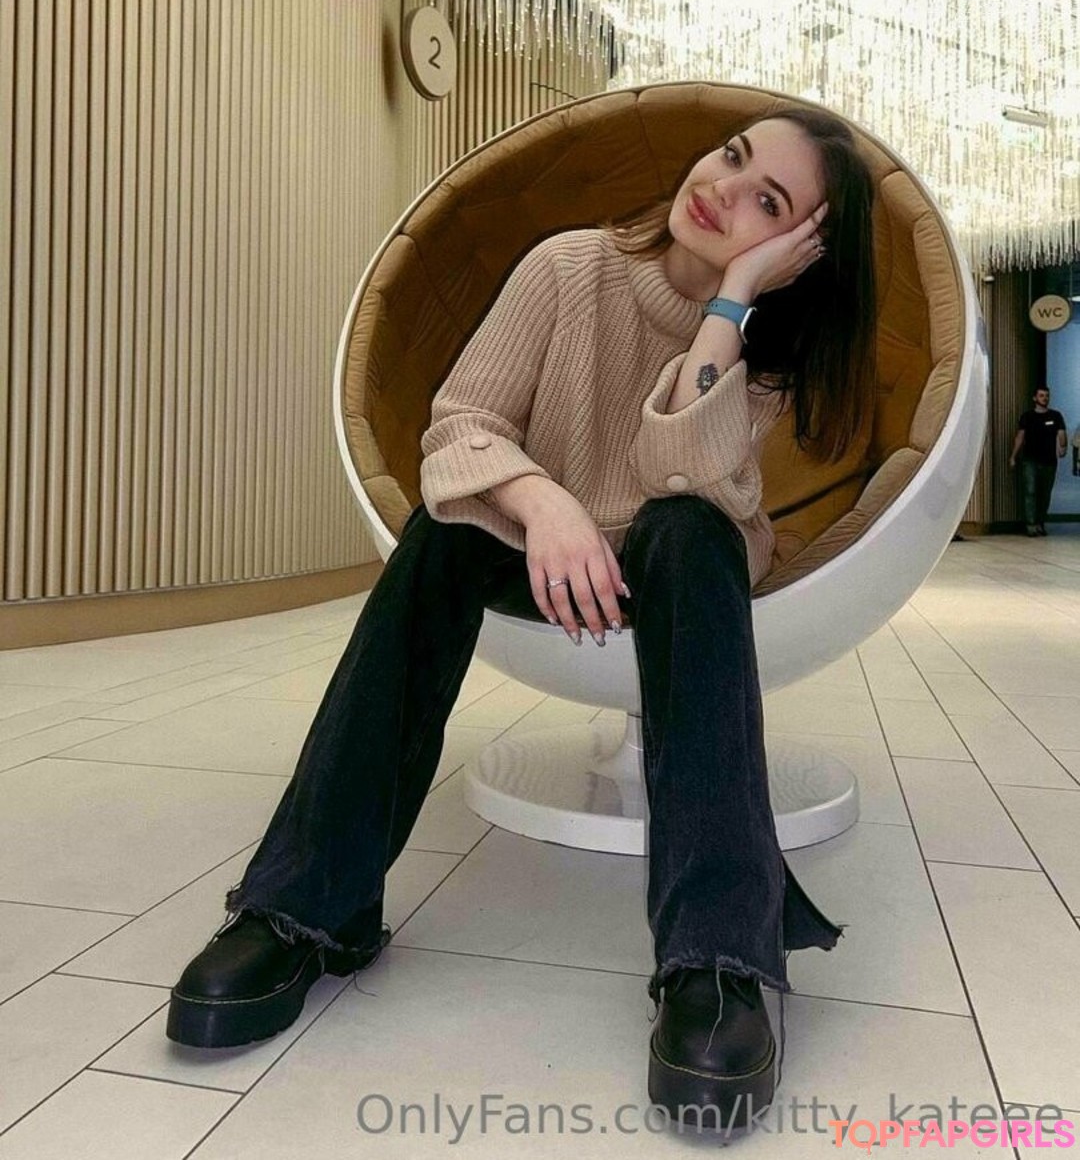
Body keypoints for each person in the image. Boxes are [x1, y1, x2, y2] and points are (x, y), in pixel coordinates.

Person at [166, 107, 877, 1131]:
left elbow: (684, 475)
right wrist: (543, 502)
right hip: (549, 550)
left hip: (681, 561)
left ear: (798, 250)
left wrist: (731, 304)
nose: (722, 188)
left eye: (767, 200)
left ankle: (718, 957)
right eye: (732, 156)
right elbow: (461, 425)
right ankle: (306, 905)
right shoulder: (567, 268)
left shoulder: (755, 355)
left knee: (686, 530)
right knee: (442, 535)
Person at [1010, 386, 1067, 535]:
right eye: (1041, 396)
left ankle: (1040, 521)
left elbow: (1061, 433)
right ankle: (1031, 524)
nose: (1045, 398)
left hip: (1049, 460)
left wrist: (1063, 446)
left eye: (1047, 396)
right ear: (1034, 398)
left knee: (1045, 493)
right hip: (1030, 460)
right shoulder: (1027, 417)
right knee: (1030, 491)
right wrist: (1013, 456)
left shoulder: (1055, 416)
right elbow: (1020, 436)